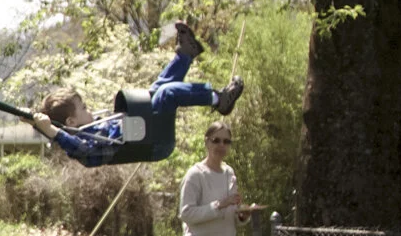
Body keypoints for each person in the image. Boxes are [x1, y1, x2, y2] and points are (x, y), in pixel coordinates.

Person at [30, 21, 244, 167]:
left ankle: (186, 54)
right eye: (84, 108)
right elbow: (79, 148)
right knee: (167, 94)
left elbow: (53, 125)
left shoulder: (89, 128)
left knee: (157, 89)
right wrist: (52, 131)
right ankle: (218, 100)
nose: (90, 109)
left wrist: (32, 119)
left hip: (145, 130)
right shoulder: (86, 143)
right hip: (154, 143)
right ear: (71, 121)